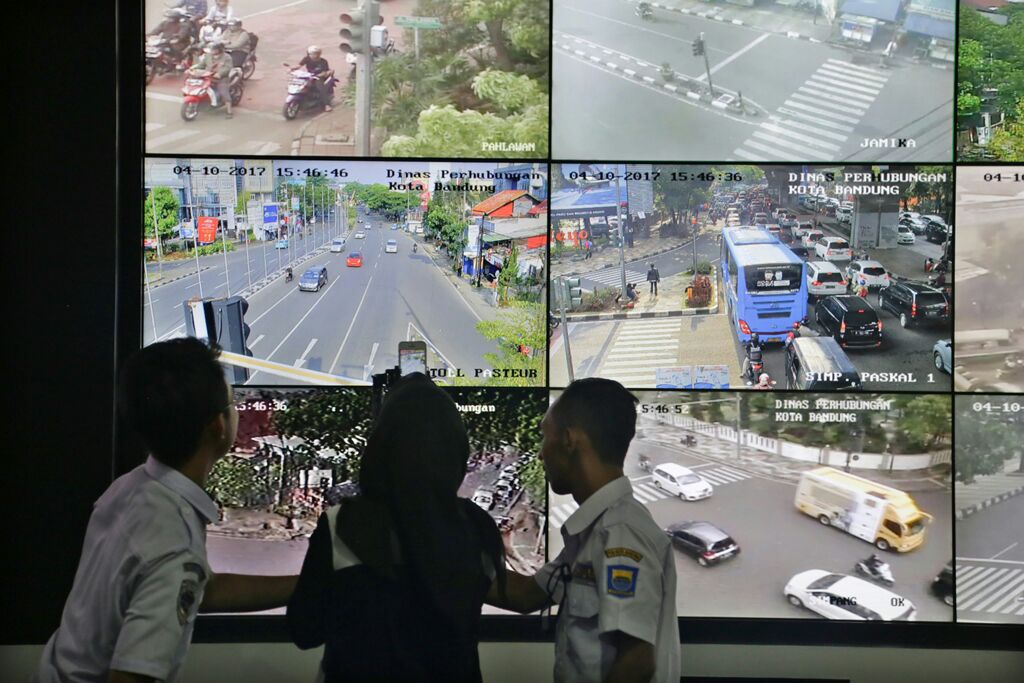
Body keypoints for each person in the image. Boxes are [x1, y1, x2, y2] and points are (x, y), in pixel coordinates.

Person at [35, 339, 297, 683]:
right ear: (218, 426)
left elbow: (202, 589)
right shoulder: (172, 544)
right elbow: (130, 677)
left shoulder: (131, 489)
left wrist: (309, 582)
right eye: (234, 403)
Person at [288, 374, 505, 683]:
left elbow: (305, 631)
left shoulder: (343, 524)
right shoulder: (477, 527)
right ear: (454, 451)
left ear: (381, 446)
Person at [486, 379, 680, 683]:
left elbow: (637, 661)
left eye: (544, 437)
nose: (540, 454)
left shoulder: (619, 533)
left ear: (568, 440)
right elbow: (527, 594)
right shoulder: (592, 532)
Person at [190, 42, 234, 117]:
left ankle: (229, 111)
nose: (212, 52)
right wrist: (193, 69)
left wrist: (220, 74)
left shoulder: (227, 57)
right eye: (212, 50)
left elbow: (227, 68)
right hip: (207, 77)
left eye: (214, 50)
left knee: (224, 92)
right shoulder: (208, 56)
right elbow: (201, 65)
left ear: (219, 50)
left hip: (221, 78)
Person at [296, 45, 333, 112]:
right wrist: (292, 69)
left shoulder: (323, 61)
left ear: (319, 54)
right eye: (313, 53)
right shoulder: (307, 59)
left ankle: (327, 105)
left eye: (317, 53)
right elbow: (299, 65)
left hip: (318, 77)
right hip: (309, 76)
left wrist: (320, 75)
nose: (315, 55)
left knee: (321, 88)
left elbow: (325, 72)